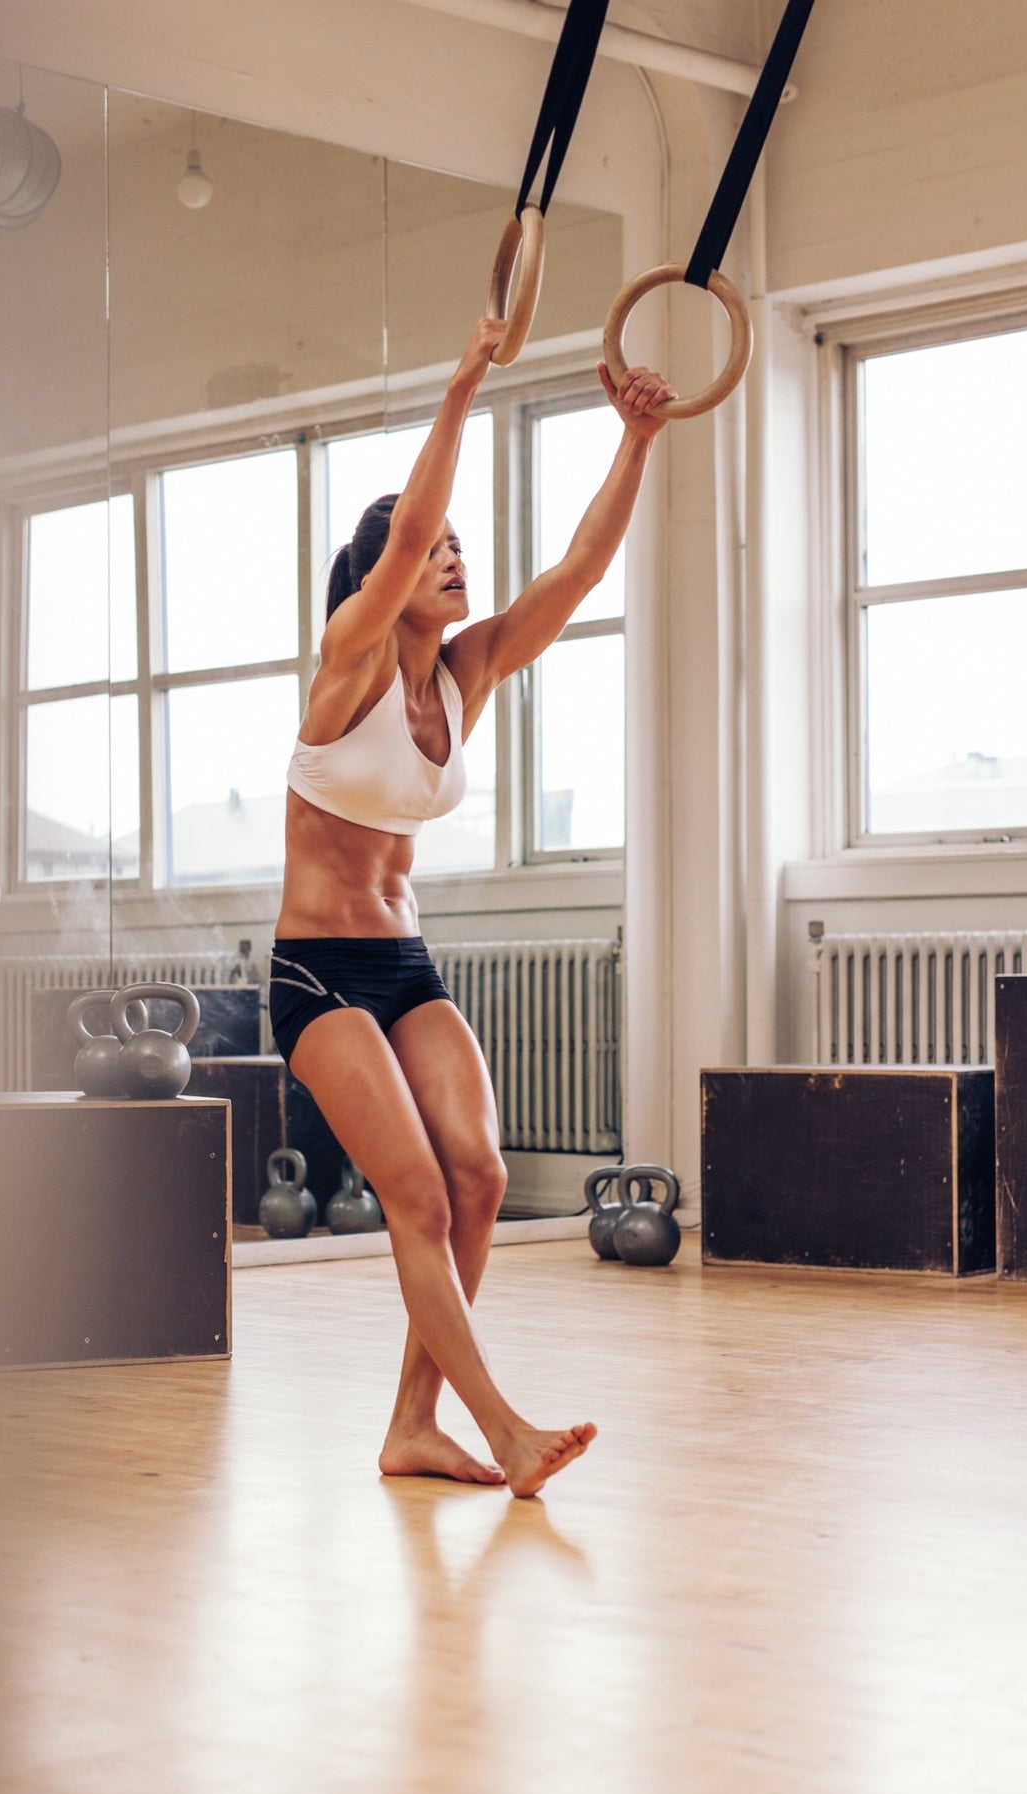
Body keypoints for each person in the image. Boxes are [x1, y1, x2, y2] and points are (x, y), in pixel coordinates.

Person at [270, 314, 673, 1497]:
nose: (454, 556)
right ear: (387, 570)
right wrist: (463, 387)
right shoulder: (347, 659)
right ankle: (500, 1422)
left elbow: (579, 572)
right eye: (433, 545)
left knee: (480, 1179)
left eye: (459, 543)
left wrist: (635, 441)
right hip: (314, 974)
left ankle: (413, 1421)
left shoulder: (467, 669)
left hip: (403, 966)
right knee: (411, 1191)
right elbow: (397, 545)